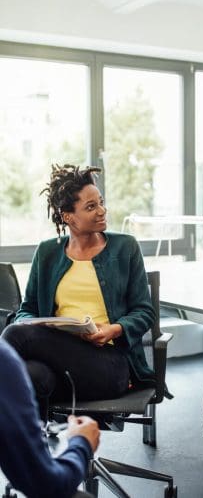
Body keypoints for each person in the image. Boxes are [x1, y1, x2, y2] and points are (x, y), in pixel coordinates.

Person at [2, 164, 155, 421]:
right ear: (67, 217)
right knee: (32, 376)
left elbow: (144, 311)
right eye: (91, 207)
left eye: (101, 202)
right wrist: (34, 322)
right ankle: (40, 458)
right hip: (57, 361)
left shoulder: (125, 247)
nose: (102, 211)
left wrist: (113, 329)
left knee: (18, 335)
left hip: (109, 364)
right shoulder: (47, 252)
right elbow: (27, 308)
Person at [0, 337, 100, 498]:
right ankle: (40, 458)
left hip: (106, 356)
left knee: (17, 333)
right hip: (47, 356)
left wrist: (117, 328)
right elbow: (49, 486)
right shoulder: (4, 361)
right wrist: (82, 443)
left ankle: (39, 457)